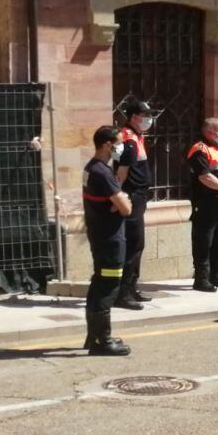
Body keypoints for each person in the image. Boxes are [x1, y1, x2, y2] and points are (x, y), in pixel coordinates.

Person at [83, 126, 133, 356]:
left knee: (99, 283)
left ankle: (94, 335)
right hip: (110, 240)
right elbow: (125, 208)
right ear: (107, 145)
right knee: (108, 287)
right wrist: (123, 201)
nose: (121, 147)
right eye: (119, 143)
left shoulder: (92, 168)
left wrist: (118, 201)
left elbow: (115, 203)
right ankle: (101, 341)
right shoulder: (102, 172)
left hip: (100, 235)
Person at [187, 117, 218, 292]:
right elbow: (205, 176)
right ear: (209, 132)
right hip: (205, 202)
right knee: (204, 240)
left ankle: (216, 274)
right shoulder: (199, 150)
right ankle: (201, 279)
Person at [114, 99, 154, 310]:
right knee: (133, 244)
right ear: (133, 117)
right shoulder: (128, 139)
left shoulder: (136, 137)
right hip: (132, 197)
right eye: (144, 115)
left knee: (137, 244)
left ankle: (131, 288)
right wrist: (120, 197)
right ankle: (123, 293)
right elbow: (121, 172)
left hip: (139, 196)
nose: (148, 119)